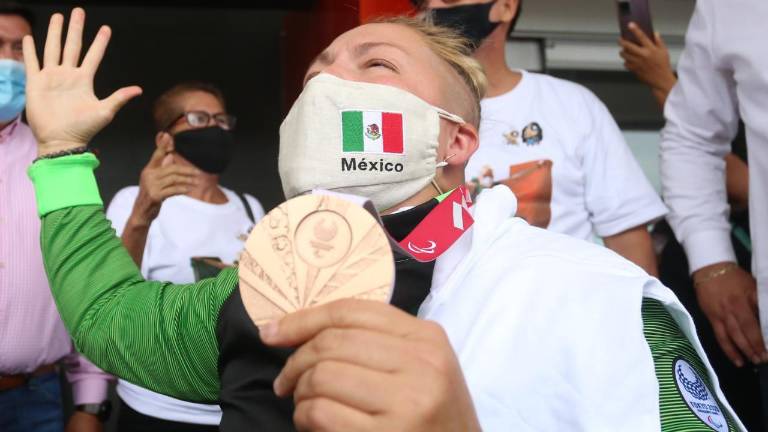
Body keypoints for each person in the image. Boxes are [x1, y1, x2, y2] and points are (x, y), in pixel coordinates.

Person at [24, 8, 746, 431]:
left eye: (376, 65)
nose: (327, 82)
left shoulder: (595, 299)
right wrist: (58, 155)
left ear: (455, 141)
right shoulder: (263, 286)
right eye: (315, 74)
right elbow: (113, 319)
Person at [417, 0, 667, 276]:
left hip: (567, 297)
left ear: (506, 7)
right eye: (422, 1)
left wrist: (644, 304)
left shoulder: (572, 104)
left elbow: (627, 236)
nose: (432, 6)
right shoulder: (409, 112)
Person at [620, 22, 764, 430]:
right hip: (713, 291)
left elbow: (744, 184)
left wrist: (662, 81)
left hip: (742, 295)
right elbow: (693, 141)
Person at [105, 81, 265, 431]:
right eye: (198, 118)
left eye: (221, 120)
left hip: (236, 405)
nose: (215, 128)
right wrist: (142, 214)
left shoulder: (250, 207)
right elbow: (110, 299)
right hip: (159, 408)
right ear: (165, 138)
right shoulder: (132, 201)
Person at [0, 3, 112, 432]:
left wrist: (91, 403)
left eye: (20, 48)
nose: (9, 60)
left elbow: (86, 273)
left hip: (36, 399)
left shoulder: (61, 158)